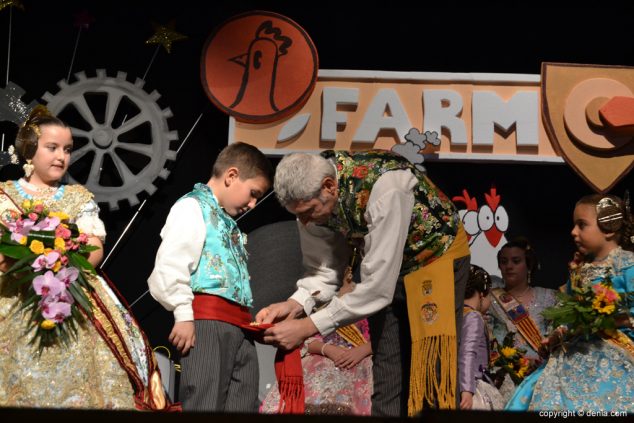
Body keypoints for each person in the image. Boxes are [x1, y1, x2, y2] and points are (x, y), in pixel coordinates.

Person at [255, 149, 471, 417]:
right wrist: (295, 303)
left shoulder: (385, 187)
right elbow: (324, 270)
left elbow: (377, 288)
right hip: (382, 268)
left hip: (434, 256)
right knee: (387, 364)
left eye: (309, 212)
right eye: (298, 215)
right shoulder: (310, 203)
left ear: (329, 186)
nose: (305, 221)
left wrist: (307, 326)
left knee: (431, 370)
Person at [0, 106, 173, 409]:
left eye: (67, 149)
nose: (61, 157)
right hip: (14, 291)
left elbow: (93, 245)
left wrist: (61, 265)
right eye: (51, 148)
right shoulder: (4, 196)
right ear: (29, 150)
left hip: (70, 290)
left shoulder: (78, 197)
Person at [147, 142, 273, 412]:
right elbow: (170, 265)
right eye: (253, 194)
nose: (253, 204)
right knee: (205, 403)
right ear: (231, 176)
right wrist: (183, 314)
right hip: (208, 325)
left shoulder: (226, 221)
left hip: (238, 328)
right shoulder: (192, 208)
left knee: (243, 404)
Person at [507, 194, 634, 411]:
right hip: (571, 352)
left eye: (582, 225)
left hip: (615, 353)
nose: (573, 232)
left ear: (609, 227)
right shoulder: (579, 271)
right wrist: (559, 332)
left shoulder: (627, 266)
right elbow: (566, 311)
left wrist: (605, 321)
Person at [260, 264, 373, 415]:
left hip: (360, 363)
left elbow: (388, 336)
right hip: (319, 361)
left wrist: (361, 351)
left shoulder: (373, 299)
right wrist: (327, 349)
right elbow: (301, 338)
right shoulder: (320, 298)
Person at [487, 237, 557, 400]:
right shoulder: (490, 300)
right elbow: (486, 340)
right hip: (505, 376)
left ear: (529, 265)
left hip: (541, 374)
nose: (509, 266)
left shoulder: (549, 297)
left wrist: (540, 361)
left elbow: (557, 338)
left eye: (516, 261)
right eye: (504, 262)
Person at [459, 265, 505, 410]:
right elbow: (467, 353)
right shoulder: (473, 316)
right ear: (482, 295)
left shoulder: (456, 314)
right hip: (471, 386)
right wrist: (467, 390)